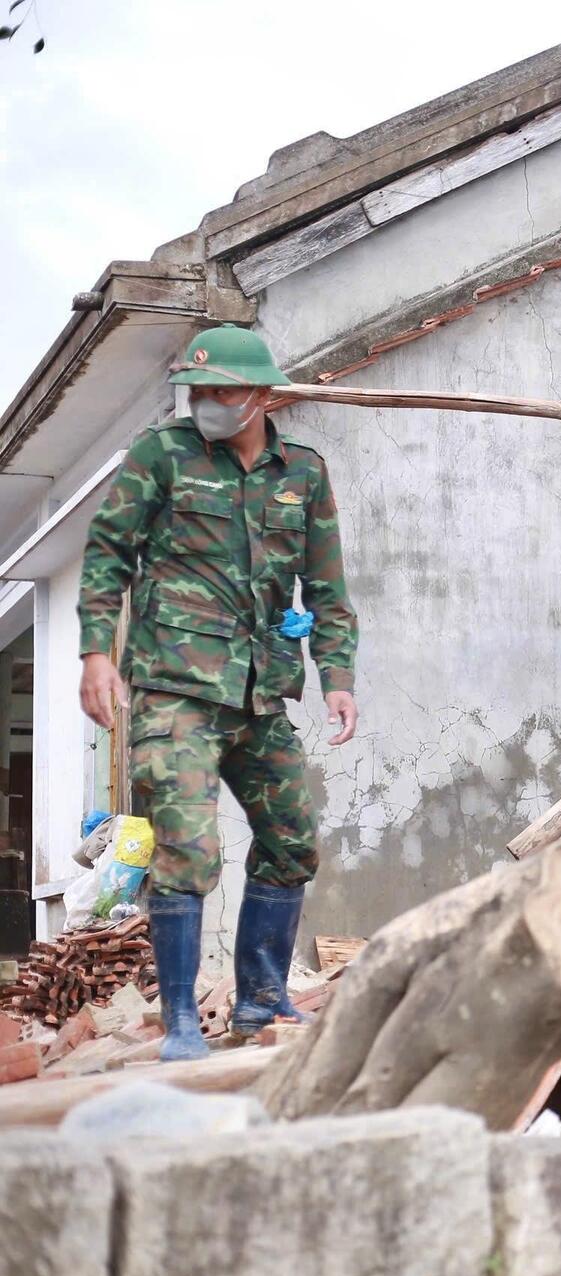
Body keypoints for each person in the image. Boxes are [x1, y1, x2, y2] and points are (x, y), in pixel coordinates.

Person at [77, 324, 358, 1060]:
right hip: (174, 689)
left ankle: (261, 1002)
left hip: (262, 691)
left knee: (292, 840)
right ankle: (178, 1024)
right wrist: (95, 655)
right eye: (196, 391)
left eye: (220, 391)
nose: (204, 403)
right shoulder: (162, 457)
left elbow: (327, 588)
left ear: (261, 396)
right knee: (187, 851)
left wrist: (339, 679)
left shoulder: (302, 472)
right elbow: (108, 550)